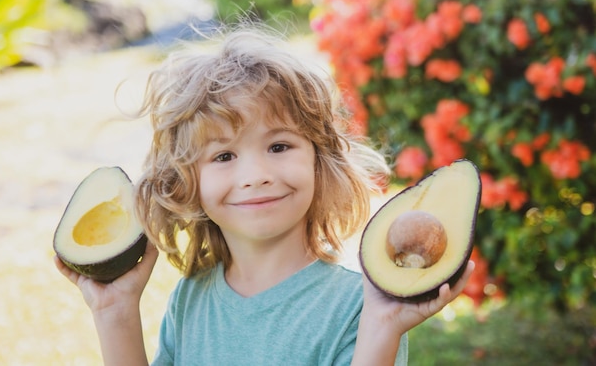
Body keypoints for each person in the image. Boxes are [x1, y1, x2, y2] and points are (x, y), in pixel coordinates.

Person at [54, 22, 474, 365]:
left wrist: (382, 327)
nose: (255, 175)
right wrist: (115, 313)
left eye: (278, 147)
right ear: (186, 183)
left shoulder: (360, 306)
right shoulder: (192, 298)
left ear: (318, 160)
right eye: (223, 156)